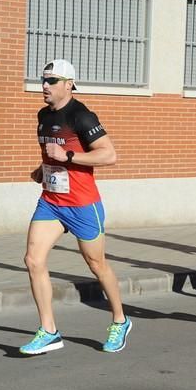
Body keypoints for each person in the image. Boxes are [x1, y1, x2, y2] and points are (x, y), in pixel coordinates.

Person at [20, 59, 131, 354]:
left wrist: (68, 156)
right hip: (52, 202)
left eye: (52, 81)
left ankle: (120, 320)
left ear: (68, 84)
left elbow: (109, 156)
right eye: (43, 80)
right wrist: (42, 169)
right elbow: (52, 152)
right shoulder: (43, 114)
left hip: (83, 204)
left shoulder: (82, 116)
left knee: (97, 265)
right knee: (33, 260)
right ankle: (49, 331)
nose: (45, 86)